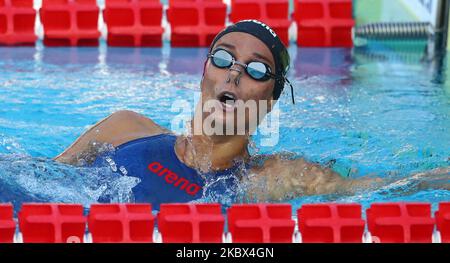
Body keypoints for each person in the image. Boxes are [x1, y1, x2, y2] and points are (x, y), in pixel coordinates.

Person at [53, 20, 448, 207]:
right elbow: (40, 177)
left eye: (257, 68)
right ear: (203, 73)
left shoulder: (273, 178)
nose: (236, 72)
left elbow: (388, 185)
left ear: (271, 99)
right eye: (223, 58)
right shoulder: (125, 128)